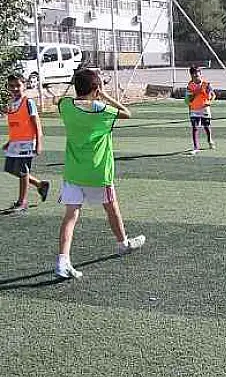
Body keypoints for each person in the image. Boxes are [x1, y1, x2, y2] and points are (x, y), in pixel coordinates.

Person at [55, 69, 146, 279]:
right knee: (111, 207)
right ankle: (122, 243)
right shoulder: (102, 109)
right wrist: (104, 95)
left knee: (70, 216)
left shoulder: (65, 106)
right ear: (96, 89)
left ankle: (63, 260)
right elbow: (126, 113)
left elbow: (63, 100)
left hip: (73, 172)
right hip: (98, 172)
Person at [1, 74, 50, 214]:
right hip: (15, 143)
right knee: (10, 168)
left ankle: (22, 202)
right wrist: (10, 141)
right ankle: (40, 184)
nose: (15, 88)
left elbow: (36, 123)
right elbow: (16, 124)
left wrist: (39, 142)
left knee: (23, 171)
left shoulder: (28, 102)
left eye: (18, 85)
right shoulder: (11, 103)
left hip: (27, 143)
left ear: (25, 85)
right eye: (11, 86)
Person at [186, 66, 216, 155]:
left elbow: (213, 95)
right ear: (191, 75)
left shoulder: (206, 84)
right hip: (194, 109)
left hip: (204, 108)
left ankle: (209, 140)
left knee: (206, 127)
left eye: (197, 74)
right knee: (195, 128)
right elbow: (188, 99)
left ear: (200, 74)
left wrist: (209, 102)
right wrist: (194, 95)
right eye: (193, 75)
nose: (195, 76)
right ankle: (196, 147)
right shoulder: (190, 85)